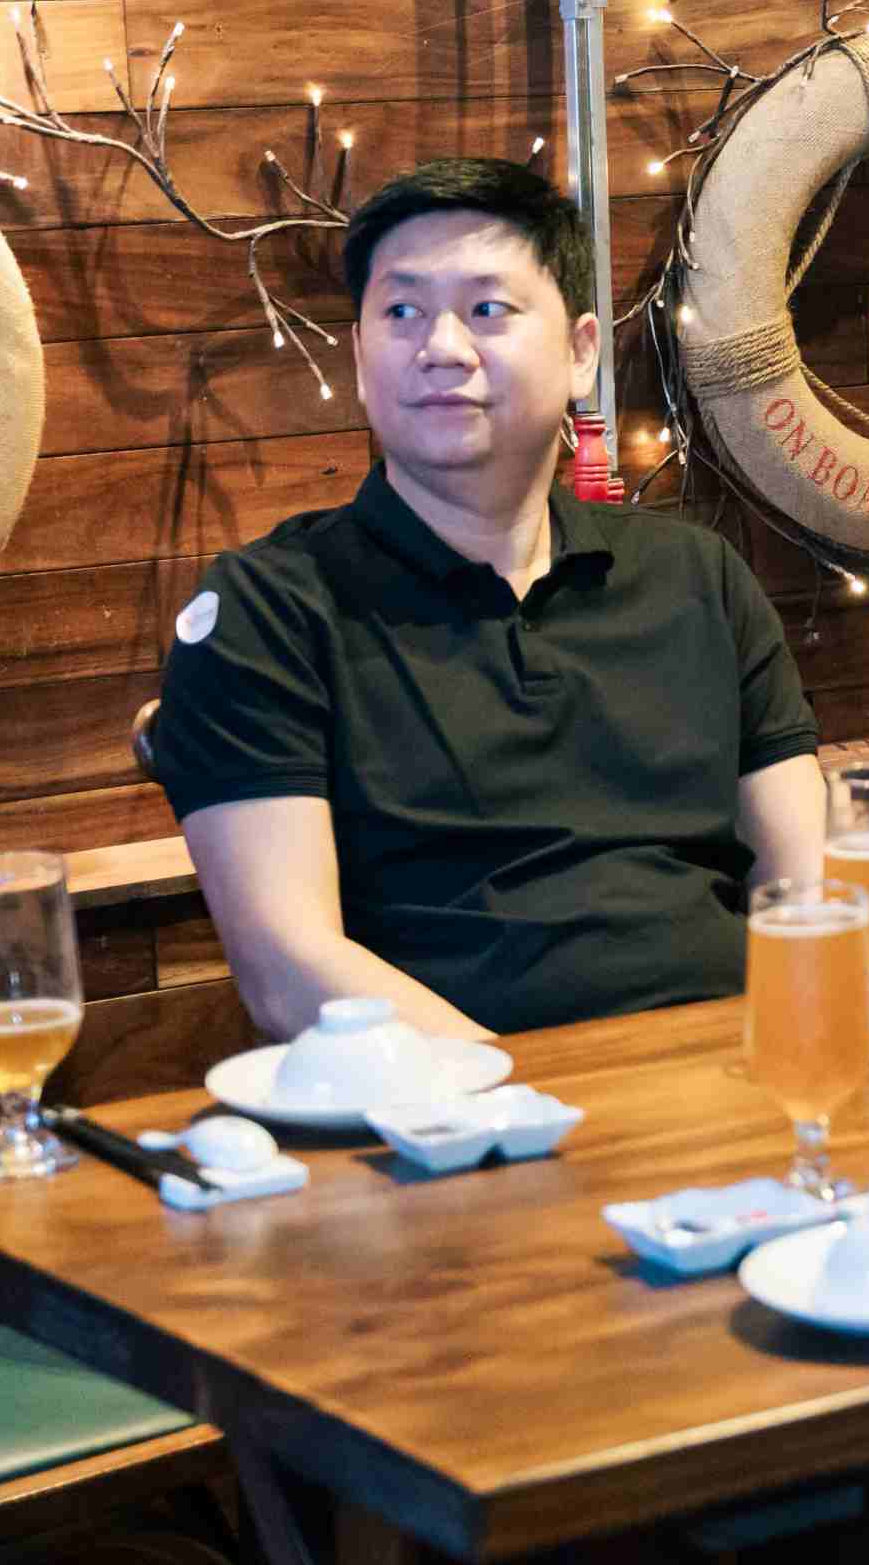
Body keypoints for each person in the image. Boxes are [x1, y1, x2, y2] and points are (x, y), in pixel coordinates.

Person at [150, 159, 827, 1043]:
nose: (442, 347)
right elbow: (288, 972)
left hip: (740, 1070)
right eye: (401, 312)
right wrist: (526, 1096)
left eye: (487, 309)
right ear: (360, 360)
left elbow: (806, 889)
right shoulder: (266, 610)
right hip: (448, 1106)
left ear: (581, 352)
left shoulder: (697, 577)